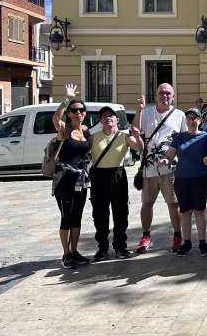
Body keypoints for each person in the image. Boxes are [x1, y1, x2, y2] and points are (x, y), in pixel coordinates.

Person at [132, 84, 187, 253]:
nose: (164, 95)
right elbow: (135, 130)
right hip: (149, 168)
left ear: (173, 96)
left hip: (171, 168)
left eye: (168, 93)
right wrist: (139, 110)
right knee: (147, 203)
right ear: (155, 96)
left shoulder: (179, 115)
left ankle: (177, 236)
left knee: (173, 204)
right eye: (161, 93)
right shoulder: (147, 112)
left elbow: (184, 140)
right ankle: (146, 236)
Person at [161, 107, 207, 256]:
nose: (192, 121)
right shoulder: (179, 137)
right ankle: (186, 242)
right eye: (189, 118)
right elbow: (171, 153)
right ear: (186, 121)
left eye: (195, 118)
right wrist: (166, 160)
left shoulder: (205, 137)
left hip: (200, 179)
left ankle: (202, 242)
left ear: (200, 120)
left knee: (199, 211)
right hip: (182, 180)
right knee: (185, 212)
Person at [89, 106, 142, 261]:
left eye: (111, 116)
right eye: (104, 116)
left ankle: (120, 246)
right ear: (100, 120)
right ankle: (102, 248)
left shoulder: (123, 137)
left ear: (117, 119)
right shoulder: (93, 137)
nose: (108, 118)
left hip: (118, 175)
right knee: (100, 215)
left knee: (120, 213)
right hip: (99, 177)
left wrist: (138, 137)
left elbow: (139, 148)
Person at [51, 83, 92, 269]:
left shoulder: (86, 132)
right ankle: (66, 254)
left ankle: (74, 251)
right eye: (74, 110)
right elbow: (55, 117)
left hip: (81, 181)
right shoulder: (64, 129)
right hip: (64, 181)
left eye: (81, 110)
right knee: (66, 217)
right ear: (69, 113)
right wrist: (67, 98)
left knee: (77, 216)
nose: (78, 113)